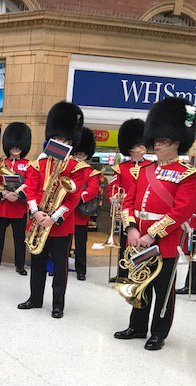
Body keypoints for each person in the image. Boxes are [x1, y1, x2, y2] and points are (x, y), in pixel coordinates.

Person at [114, 97, 196, 350]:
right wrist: (132, 228)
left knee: (163, 290)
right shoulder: (143, 171)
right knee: (140, 284)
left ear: (176, 143)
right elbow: (129, 202)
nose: (157, 145)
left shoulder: (187, 175)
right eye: (156, 140)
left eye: (163, 141)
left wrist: (151, 234)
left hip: (165, 242)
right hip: (138, 238)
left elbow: (181, 212)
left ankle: (158, 332)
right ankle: (137, 326)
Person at [18, 101, 89, 319]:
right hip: (38, 220)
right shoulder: (37, 164)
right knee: (37, 262)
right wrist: (36, 212)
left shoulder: (78, 168)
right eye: (57, 139)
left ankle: (58, 304)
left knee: (60, 267)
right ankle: (35, 298)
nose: (61, 143)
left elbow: (74, 198)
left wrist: (54, 217)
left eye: (65, 140)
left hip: (59, 225)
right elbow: (30, 188)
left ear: (71, 142)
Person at [109, 119, 154, 282]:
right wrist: (115, 198)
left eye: (143, 144)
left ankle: (140, 272)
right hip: (126, 212)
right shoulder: (120, 168)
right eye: (139, 144)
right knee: (124, 244)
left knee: (141, 244)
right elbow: (113, 187)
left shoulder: (151, 166)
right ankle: (122, 274)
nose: (143, 147)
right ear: (131, 148)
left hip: (142, 212)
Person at [0, 122, 31, 276]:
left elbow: (30, 183)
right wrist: (5, 195)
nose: (15, 148)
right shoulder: (1, 163)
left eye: (18, 146)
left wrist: (18, 195)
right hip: (2, 206)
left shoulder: (28, 165)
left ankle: (20, 265)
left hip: (18, 208)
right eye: (13, 146)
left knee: (19, 239)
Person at [72, 127, 100, 281]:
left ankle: (81, 270)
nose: (79, 157)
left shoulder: (91, 172)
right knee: (64, 244)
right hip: (67, 213)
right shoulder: (68, 169)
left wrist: (77, 198)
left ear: (86, 155)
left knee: (81, 245)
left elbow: (93, 189)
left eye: (81, 154)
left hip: (80, 213)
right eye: (77, 154)